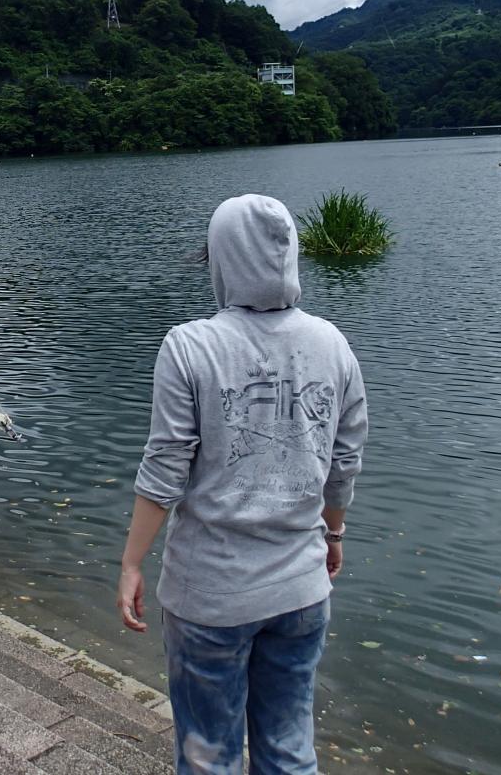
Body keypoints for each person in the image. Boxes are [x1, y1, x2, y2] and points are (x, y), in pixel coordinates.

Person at [117, 195, 368, 775]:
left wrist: (133, 562)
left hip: (210, 593)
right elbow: (345, 458)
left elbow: (165, 467)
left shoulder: (190, 346)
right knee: (288, 749)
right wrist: (334, 534)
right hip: (302, 591)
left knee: (209, 755)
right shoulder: (332, 343)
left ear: (223, 261)